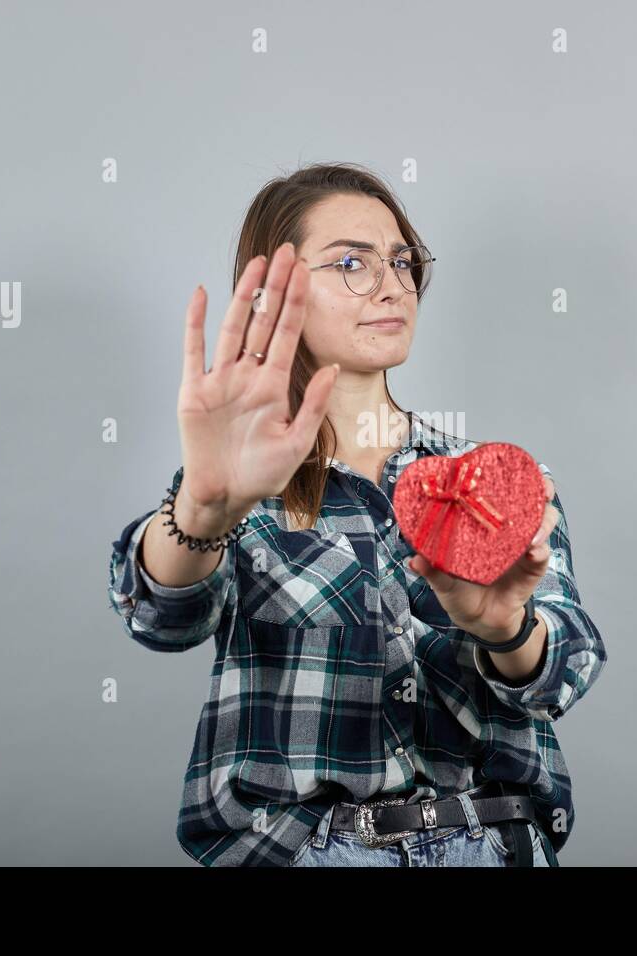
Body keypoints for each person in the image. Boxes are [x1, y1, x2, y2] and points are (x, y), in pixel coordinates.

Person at [108, 162, 607, 866]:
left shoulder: (495, 480)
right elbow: (162, 616)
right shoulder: (240, 488)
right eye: (352, 262)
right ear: (274, 295)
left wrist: (506, 630)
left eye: (402, 261)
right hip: (311, 853)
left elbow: (566, 669)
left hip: (494, 847)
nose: (391, 285)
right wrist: (202, 506)